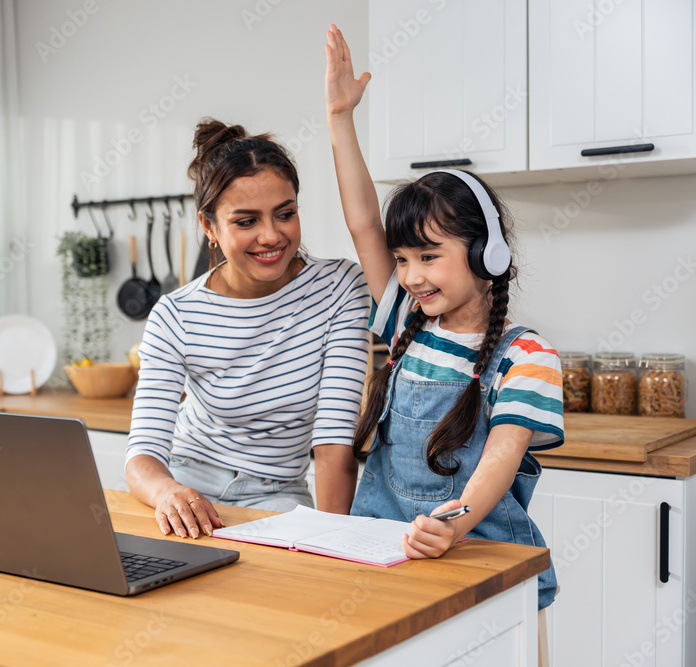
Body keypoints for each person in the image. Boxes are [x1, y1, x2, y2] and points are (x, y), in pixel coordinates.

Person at [324, 25, 562, 610]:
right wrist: (338, 118)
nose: (410, 276)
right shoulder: (406, 320)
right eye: (402, 260)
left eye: (429, 257)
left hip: (480, 564)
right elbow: (362, 224)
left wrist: (453, 522)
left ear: (486, 255)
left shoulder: (528, 358)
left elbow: (501, 462)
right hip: (387, 557)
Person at [125, 118, 371, 541]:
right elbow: (144, 453)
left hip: (276, 497)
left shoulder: (340, 288)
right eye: (246, 221)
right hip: (184, 486)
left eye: (285, 214)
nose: (271, 236)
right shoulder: (176, 314)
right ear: (210, 228)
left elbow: (334, 439)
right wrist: (168, 491)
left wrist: (336, 539)